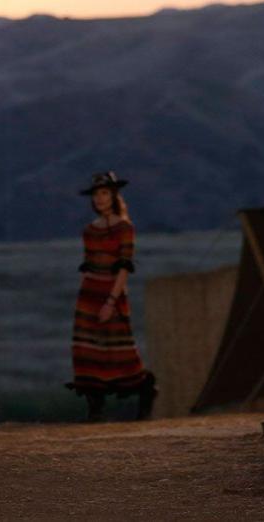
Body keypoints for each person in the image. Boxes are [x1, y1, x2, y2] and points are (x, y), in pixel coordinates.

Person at [68, 172, 156, 421]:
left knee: (121, 351)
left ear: (114, 195)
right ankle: (95, 409)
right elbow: (88, 264)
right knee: (88, 350)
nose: (100, 198)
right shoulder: (89, 230)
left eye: (105, 193)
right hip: (89, 294)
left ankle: (146, 392)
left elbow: (124, 267)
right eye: (96, 194)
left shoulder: (124, 228)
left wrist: (111, 301)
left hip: (112, 292)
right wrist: (89, 298)